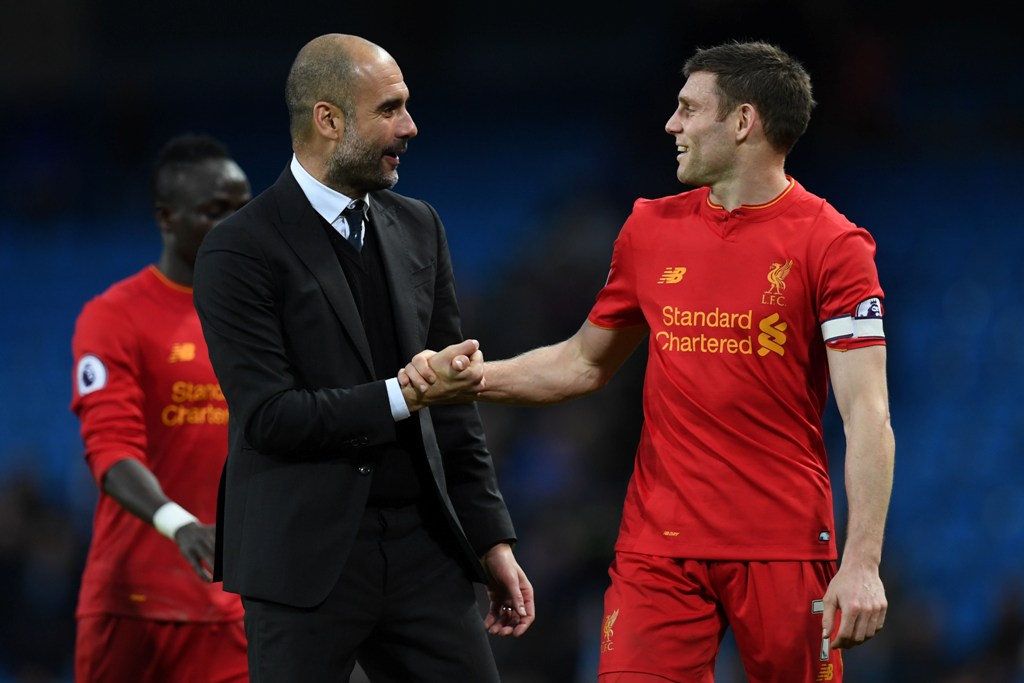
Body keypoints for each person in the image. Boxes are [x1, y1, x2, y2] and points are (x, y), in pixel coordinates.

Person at [405, 40, 895, 683]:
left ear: (743, 122)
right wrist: (473, 381)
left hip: (782, 545)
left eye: (690, 109)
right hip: (657, 547)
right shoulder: (649, 229)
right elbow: (584, 362)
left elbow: (867, 413)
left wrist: (861, 562)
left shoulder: (833, 245)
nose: (672, 125)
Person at [191, 33, 534, 683]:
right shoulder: (239, 249)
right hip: (303, 561)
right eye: (390, 109)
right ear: (328, 119)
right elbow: (269, 417)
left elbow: (453, 404)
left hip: (422, 551)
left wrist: (491, 539)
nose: (410, 126)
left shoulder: (419, 226)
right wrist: (405, 395)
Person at [70, 134, 252, 682]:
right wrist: (181, 524)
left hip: (237, 607)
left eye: (243, 211)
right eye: (214, 212)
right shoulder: (114, 317)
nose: (235, 226)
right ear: (166, 218)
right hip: (134, 605)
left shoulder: (265, 320)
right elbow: (110, 449)